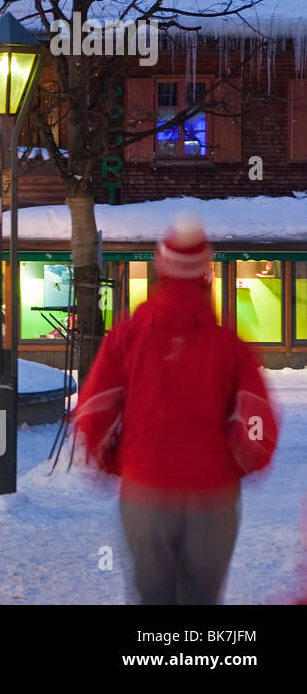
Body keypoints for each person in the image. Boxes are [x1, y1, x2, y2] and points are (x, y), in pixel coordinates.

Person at [76, 214, 279, 605]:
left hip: (145, 491)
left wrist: (113, 461)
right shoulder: (230, 345)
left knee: (153, 598)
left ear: (160, 268)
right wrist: (241, 462)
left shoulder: (126, 336)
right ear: (206, 273)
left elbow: (93, 411)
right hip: (213, 496)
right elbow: (257, 421)